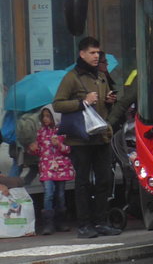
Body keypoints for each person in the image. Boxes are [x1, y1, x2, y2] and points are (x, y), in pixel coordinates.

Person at [52, 36, 121, 238]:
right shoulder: (72, 77)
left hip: (101, 136)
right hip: (81, 138)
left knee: (104, 180)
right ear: (82, 54)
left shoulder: (100, 75)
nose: (96, 56)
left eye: (98, 53)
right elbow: (58, 104)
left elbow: (103, 105)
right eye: (92, 52)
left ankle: (101, 221)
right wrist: (83, 101)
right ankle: (84, 225)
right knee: (83, 182)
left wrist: (109, 100)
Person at [28, 107, 73, 235]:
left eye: (48, 116)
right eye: (43, 116)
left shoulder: (62, 132)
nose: (45, 119)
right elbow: (38, 151)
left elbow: (68, 150)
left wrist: (58, 144)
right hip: (46, 167)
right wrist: (32, 148)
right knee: (48, 193)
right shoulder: (40, 133)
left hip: (61, 167)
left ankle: (61, 221)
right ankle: (48, 223)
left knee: (60, 194)